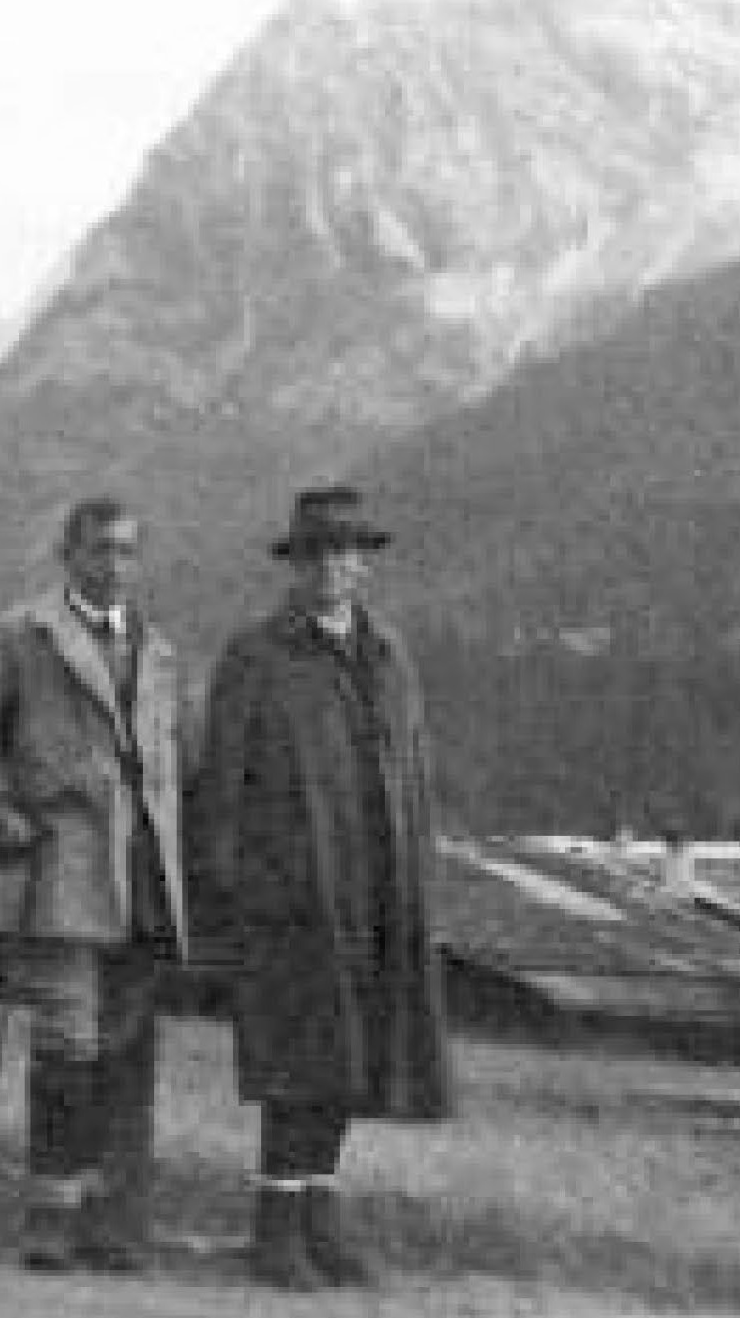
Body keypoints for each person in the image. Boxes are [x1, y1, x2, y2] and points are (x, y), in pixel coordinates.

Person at [191, 485, 455, 1292]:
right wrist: (229, 882)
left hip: (373, 890)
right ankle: (274, 1228)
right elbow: (221, 777)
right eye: (318, 553)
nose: (333, 566)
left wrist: (417, 878)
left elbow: (411, 773)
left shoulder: (387, 655)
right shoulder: (258, 654)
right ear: (296, 564)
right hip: (290, 893)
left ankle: (319, 1218)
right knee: (295, 1058)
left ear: (362, 564)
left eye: (347, 551)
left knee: (351, 1057)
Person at [0, 496, 189, 1273]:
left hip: (139, 875)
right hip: (59, 865)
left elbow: (175, 760)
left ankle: (107, 1224)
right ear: (67, 555)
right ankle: (49, 1218)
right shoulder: (23, 636)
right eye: (99, 549)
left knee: (116, 1050)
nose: (114, 565)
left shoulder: (158, 650)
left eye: (127, 551)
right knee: (65, 1040)